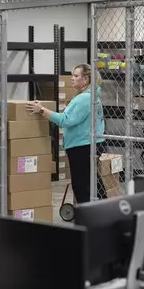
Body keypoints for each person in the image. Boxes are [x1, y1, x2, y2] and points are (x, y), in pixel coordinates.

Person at [26, 63, 107, 204]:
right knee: (92, 180)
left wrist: (41, 110)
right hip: (91, 143)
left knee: (81, 185)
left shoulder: (83, 99)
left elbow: (65, 120)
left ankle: (88, 215)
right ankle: (103, 208)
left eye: (76, 76)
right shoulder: (92, 96)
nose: (72, 79)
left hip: (82, 146)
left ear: (86, 79)